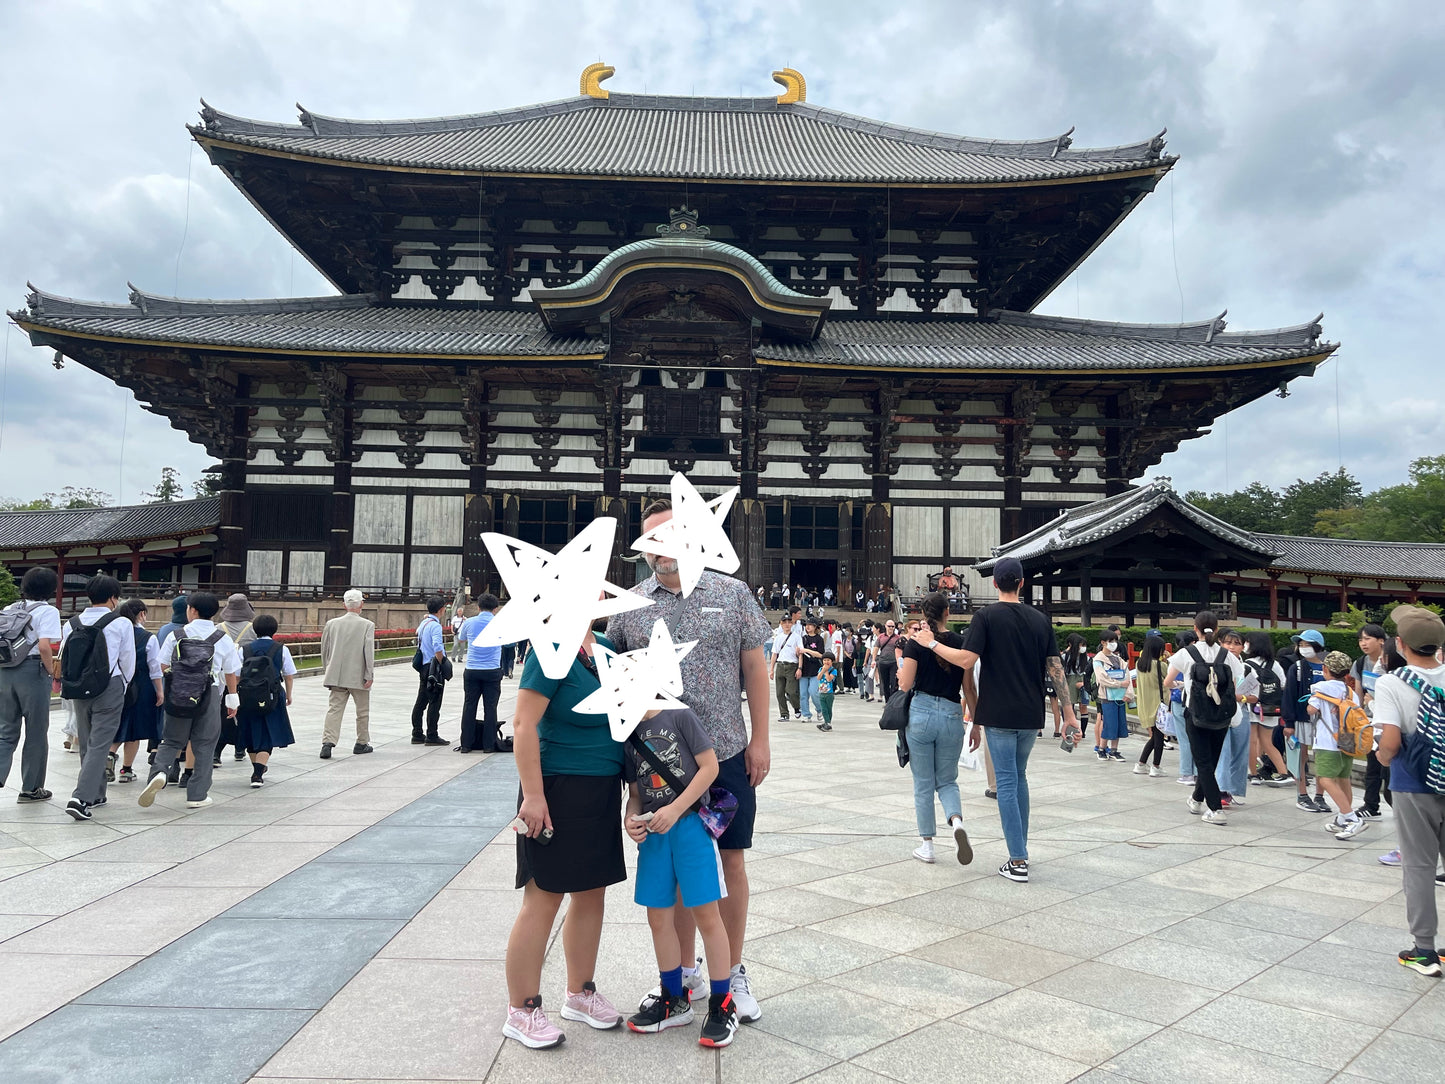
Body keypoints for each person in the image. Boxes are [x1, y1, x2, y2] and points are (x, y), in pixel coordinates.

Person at [607, 496, 772, 1024]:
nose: (661, 549)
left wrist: (761, 739)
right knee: (674, 868)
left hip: (724, 751)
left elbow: (756, 668)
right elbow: (609, 673)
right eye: (650, 541)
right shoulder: (632, 604)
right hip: (659, 761)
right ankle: (681, 976)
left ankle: (734, 971)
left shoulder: (732, 592)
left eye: (669, 536)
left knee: (732, 859)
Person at [502, 618, 625, 1049]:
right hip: (556, 787)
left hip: (602, 787)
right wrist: (534, 795)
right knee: (544, 896)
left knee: (591, 892)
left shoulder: (606, 647)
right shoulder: (550, 647)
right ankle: (522, 1009)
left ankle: (580, 993)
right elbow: (523, 724)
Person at [919, 558, 1077, 884]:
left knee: (1005, 782)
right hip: (1030, 713)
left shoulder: (986, 617)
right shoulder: (1040, 619)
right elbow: (1056, 668)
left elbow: (966, 660)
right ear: (1022, 583)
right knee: (1020, 778)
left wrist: (930, 642)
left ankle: (1017, 860)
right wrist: (1069, 713)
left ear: (994, 584)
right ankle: (1021, 850)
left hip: (999, 711)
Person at [623, 705, 739, 1047]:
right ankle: (673, 999)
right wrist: (630, 818)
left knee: (707, 915)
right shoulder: (626, 732)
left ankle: (722, 1003)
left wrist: (675, 809)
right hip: (654, 835)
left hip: (690, 828)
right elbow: (635, 792)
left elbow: (709, 767)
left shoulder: (679, 716)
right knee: (658, 918)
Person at [1372, 604, 1445, 976]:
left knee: (1419, 866)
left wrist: (1382, 758)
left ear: (1400, 645)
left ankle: (1424, 950)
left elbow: (1391, 741)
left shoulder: (1392, 682)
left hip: (1413, 783)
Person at [140, 590, 240, 812]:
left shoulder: (176, 635)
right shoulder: (222, 638)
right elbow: (231, 672)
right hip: (209, 693)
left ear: (192, 610)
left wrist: (179, 679)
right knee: (204, 744)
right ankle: (197, 795)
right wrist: (232, 698)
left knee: (171, 740)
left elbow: (162, 665)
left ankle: (159, 772)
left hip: (179, 692)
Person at [898, 592, 971, 866]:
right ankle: (956, 822)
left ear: (923, 613)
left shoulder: (915, 642)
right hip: (952, 712)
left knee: (923, 783)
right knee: (948, 780)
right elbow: (969, 688)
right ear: (947, 612)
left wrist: (900, 675)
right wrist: (975, 722)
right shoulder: (961, 644)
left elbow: (905, 684)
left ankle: (927, 845)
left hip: (922, 712)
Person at [58, 575, 136, 821]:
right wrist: (123, 684)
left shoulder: (71, 623)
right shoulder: (121, 622)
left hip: (79, 687)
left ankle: (97, 793)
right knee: (100, 743)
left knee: (87, 740)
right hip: (109, 685)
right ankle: (81, 798)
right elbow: (127, 659)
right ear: (113, 597)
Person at [1164, 611, 1245, 826]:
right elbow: (1235, 682)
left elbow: (1168, 681)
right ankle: (1196, 799)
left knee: (1202, 762)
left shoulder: (1186, 653)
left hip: (1196, 713)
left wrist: (1183, 686)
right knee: (1211, 759)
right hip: (1221, 713)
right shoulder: (1226, 655)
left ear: (1195, 628)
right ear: (1217, 629)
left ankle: (1216, 809)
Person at [0, 566, 61, 803]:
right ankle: (31, 788)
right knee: (36, 731)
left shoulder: (10, 608)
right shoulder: (48, 611)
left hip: (5, 671)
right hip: (32, 671)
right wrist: (50, 671)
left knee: (6, 731)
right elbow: (45, 646)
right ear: (51, 588)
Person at [1306, 649, 1368, 837]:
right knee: (1343, 779)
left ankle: (1352, 818)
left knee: (1325, 779)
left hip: (1327, 741)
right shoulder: (1351, 692)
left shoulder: (1320, 688)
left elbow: (1311, 710)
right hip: (1347, 740)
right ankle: (1343, 818)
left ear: (1325, 669)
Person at [235, 614, 296, 788]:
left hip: (248, 696)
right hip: (272, 696)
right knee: (268, 733)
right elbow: (289, 675)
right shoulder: (281, 649)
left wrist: (235, 695)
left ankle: (258, 767)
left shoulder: (244, 649)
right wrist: (289, 695)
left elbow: (236, 675)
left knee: (251, 731)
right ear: (274, 630)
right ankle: (257, 773)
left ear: (255, 630)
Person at [110, 598, 163, 785]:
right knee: (134, 728)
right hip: (141, 686)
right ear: (142, 614)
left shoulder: (114, 633)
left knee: (117, 723)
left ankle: (109, 755)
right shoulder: (148, 638)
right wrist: (160, 691)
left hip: (116, 684)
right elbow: (155, 668)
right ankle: (126, 769)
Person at [319, 589, 375, 759]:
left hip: (336, 674)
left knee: (334, 710)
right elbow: (368, 652)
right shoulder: (367, 625)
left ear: (344, 605)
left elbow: (325, 650)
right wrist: (369, 674)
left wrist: (327, 669)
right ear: (361, 604)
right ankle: (361, 742)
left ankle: (328, 743)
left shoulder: (332, 624)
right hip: (358, 675)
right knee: (362, 711)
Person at [1283, 629, 1331, 813]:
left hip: (1325, 721)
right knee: (1300, 756)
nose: (1303, 648)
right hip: (1302, 718)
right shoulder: (1296, 668)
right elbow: (1289, 695)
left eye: (1307, 644)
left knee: (1322, 757)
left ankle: (1320, 795)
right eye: (1301, 644)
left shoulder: (1328, 667)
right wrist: (1289, 723)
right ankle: (1302, 794)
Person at [458, 593, 510, 753]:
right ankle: (488, 745)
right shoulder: (500, 624)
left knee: (469, 706)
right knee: (490, 708)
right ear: (495, 609)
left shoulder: (469, 622)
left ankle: (466, 744)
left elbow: (461, 639)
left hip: (472, 669)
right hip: (492, 671)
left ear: (478, 607)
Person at [1215, 629, 1259, 808]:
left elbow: (1255, 696)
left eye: (1236, 644)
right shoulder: (1215, 664)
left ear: (1243, 646)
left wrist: (1240, 697)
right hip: (1219, 712)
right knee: (1223, 751)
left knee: (1241, 752)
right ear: (1220, 644)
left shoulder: (1247, 668)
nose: (1232, 647)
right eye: (1228, 643)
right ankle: (1221, 789)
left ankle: (1234, 789)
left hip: (1241, 711)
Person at [1244, 631, 1292, 787]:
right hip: (1271, 708)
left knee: (1251, 742)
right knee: (1267, 742)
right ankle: (1283, 772)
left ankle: (1254, 774)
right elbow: (1283, 684)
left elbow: (1243, 687)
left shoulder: (1247, 664)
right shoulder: (1275, 664)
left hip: (1253, 707)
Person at [215, 593, 258, 765]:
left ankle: (216, 752)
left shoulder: (218, 628)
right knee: (243, 713)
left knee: (222, 714)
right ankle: (240, 748)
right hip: (246, 678)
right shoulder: (253, 629)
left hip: (222, 678)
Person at [1354, 623, 1391, 819]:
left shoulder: (1393, 661)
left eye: (1367, 639)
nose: (1363, 643)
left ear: (1381, 641)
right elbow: (1358, 693)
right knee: (1372, 766)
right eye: (1361, 639)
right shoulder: (1360, 663)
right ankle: (1371, 805)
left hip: (1388, 720)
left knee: (1389, 767)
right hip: (1370, 719)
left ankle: (1396, 805)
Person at [411, 596, 451, 746]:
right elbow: (437, 647)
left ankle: (417, 733)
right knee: (435, 701)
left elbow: (417, 633)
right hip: (433, 667)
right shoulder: (435, 626)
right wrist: (441, 663)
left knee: (421, 701)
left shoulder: (424, 623)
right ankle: (432, 735)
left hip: (424, 666)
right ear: (441, 609)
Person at [1133, 633, 1169, 777]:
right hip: (1159, 705)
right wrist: (1167, 660)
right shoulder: (1161, 665)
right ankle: (1156, 766)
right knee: (1159, 737)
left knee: (1155, 736)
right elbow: (1170, 678)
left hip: (1145, 705)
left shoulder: (1139, 664)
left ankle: (1141, 764)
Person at [1092, 633, 1133, 762]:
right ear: (1103, 642)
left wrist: (1129, 693)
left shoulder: (1119, 659)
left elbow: (1128, 676)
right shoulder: (1098, 660)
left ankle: (1114, 750)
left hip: (1120, 696)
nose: (1113, 644)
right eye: (1111, 641)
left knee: (1120, 723)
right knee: (1109, 723)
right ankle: (1102, 749)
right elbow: (1102, 678)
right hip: (1107, 696)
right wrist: (1119, 684)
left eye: (1115, 641)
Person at [768, 613, 802, 723]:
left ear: (792, 624)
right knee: (779, 692)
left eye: (789, 622)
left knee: (791, 691)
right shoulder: (778, 638)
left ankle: (797, 707)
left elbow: (800, 653)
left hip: (792, 666)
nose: (787, 624)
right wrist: (771, 669)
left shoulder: (796, 637)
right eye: (784, 622)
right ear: (781, 624)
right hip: (780, 665)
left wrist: (800, 668)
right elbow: (774, 654)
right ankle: (784, 714)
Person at [1061, 633, 1091, 740]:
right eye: (1080, 645)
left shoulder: (1086, 658)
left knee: (1083, 705)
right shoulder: (1065, 656)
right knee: (1070, 705)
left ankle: (1083, 731)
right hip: (1070, 680)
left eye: (1083, 645)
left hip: (1082, 680)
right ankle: (1070, 729)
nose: (1082, 647)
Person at [797, 618, 825, 723]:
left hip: (815, 670)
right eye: (806, 625)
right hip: (804, 669)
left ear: (815, 627)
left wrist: (807, 650)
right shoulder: (803, 638)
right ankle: (806, 714)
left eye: (810, 625)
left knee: (814, 692)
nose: (807, 627)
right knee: (803, 694)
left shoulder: (819, 639)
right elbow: (799, 654)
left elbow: (820, 655)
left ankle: (819, 710)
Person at [874, 619, 901, 701]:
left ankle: (892, 700)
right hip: (882, 662)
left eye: (892, 626)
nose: (891, 628)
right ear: (885, 626)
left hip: (894, 662)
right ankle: (887, 700)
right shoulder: (881, 637)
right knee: (885, 683)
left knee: (894, 682)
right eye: (889, 626)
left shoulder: (898, 637)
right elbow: (876, 648)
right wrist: (873, 660)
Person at [816, 654, 837, 732]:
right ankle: (826, 723)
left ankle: (828, 723)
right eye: (824, 660)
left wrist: (826, 671)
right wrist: (822, 671)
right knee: (823, 709)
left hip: (829, 693)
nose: (826, 662)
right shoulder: (820, 669)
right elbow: (818, 677)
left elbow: (829, 679)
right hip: (821, 692)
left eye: (828, 660)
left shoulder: (833, 670)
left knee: (828, 709)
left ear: (832, 661)